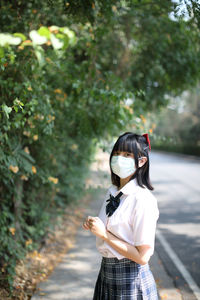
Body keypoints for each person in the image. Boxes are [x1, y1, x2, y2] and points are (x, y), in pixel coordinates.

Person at [82, 132, 159, 300]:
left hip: (131, 282)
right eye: (116, 153)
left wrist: (104, 235)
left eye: (127, 155)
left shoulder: (142, 199)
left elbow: (142, 257)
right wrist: (95, 226)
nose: (119, 158)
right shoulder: (113, 192)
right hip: (106, 275)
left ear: (141, 161)